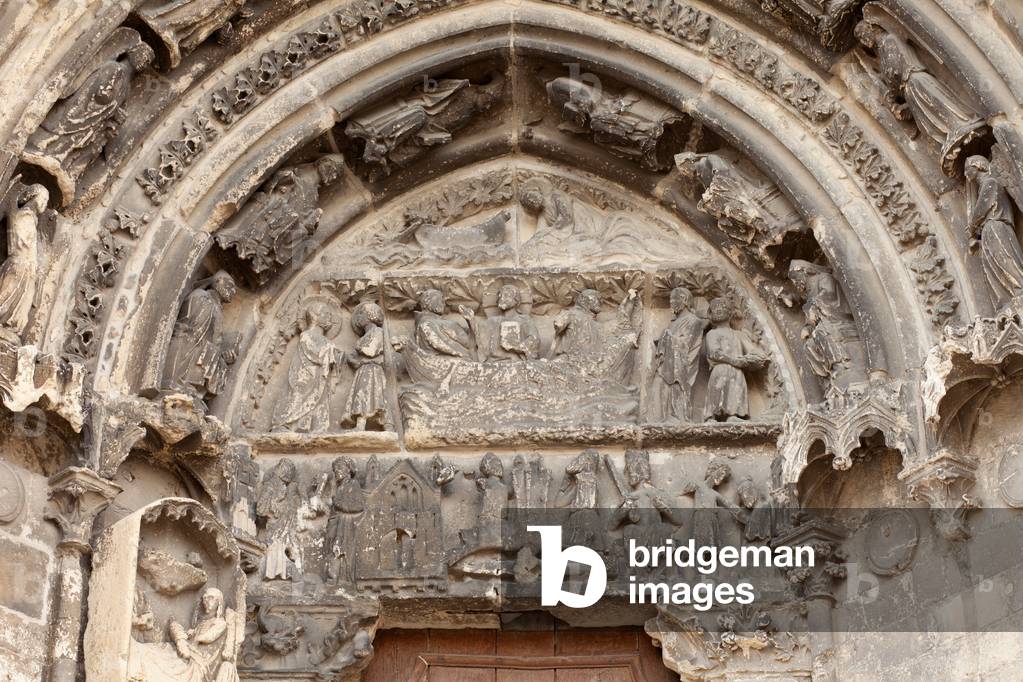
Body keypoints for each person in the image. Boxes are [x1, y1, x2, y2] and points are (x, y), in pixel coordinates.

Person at [163, 271, 239, 400]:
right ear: (218, 282)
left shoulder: (217, 308)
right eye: (229, 286)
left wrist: (225, 354)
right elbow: (189, 327)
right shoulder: (201, 296)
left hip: (201, 347)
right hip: (188, 343)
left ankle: (195, 390)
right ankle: (178, 382)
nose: (233, 291)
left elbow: (215, 339)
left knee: (219, 362)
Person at [272, 302, 341, 432]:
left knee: (320, 400)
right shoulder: (306, 335)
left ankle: (312, 427)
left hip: (320, 377)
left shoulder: (327, 342)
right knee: (298, 396)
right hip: (304, 375)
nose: (329, 318)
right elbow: (313, 353)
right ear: (315, 316)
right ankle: (287, 422)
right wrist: (329, 349)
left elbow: (330, 358)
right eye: (326, 314)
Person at [965, 155, 1023, 309]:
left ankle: (1019, 290)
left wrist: (971, 226)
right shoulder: (985, 185)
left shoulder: (991, 183)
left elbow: (981, 210)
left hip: (996, 228)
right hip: (988, 231)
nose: (966, 174)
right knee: (995, 268)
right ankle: (1007, 302)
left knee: (1005, 260)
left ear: (978, 166)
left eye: (967, 169)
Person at [703, 298, 767, 422]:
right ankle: (712, 417)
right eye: (715, 307)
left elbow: (754, 351)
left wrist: (750, 358)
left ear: (730, 313)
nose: (719, 309)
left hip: (737, 372)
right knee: (718, 390)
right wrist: (734, 361)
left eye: (722, 306)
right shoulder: (712, 333)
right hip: (720, 370)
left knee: (735, 389)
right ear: (710, 314)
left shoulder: (739, 335)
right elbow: (713, 353)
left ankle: (733, 415)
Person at [0, 183, 47, 343]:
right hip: (19, 263)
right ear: (33, 196)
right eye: (43, 198)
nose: (45, 203)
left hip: (27, 265)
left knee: (24, 299)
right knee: (9, 291)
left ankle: (11, 326)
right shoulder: (24, 215)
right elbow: (19, 240)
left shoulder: (31, 218)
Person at [653, 287, 708, 422]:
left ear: (683, 299)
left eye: (673, 299)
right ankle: (662, 418)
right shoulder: (673, 323)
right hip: (667, 364)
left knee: (676, 387)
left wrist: (667, 337)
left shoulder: (693, 320)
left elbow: (687, 344)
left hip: (680, 366)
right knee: (658, 385)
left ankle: (677, 416)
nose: (671, 303)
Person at [343, 302, 391, 430]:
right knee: (361, 394)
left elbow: (371, 351)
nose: (358, 317)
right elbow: (353, 357)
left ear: (370, 315)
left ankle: (387, 425)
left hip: (373, 370)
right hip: (363, 370)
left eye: (361, 314)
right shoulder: (363, 337)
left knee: (373, 394)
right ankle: (360, 424)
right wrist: (352, 359)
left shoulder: (378, 331)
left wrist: (359, 347)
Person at [324, 457, 365, 583]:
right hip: (335, 523)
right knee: (331, 547)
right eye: (335, 469)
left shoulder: (353, 484)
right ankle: (333, 576)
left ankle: (341, 577)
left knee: (340, 549)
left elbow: (359, 506)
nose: (336, 471)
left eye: (340, 467)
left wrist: (339, 504)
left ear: (349, 469)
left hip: (345, 525)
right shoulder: (340, 487)